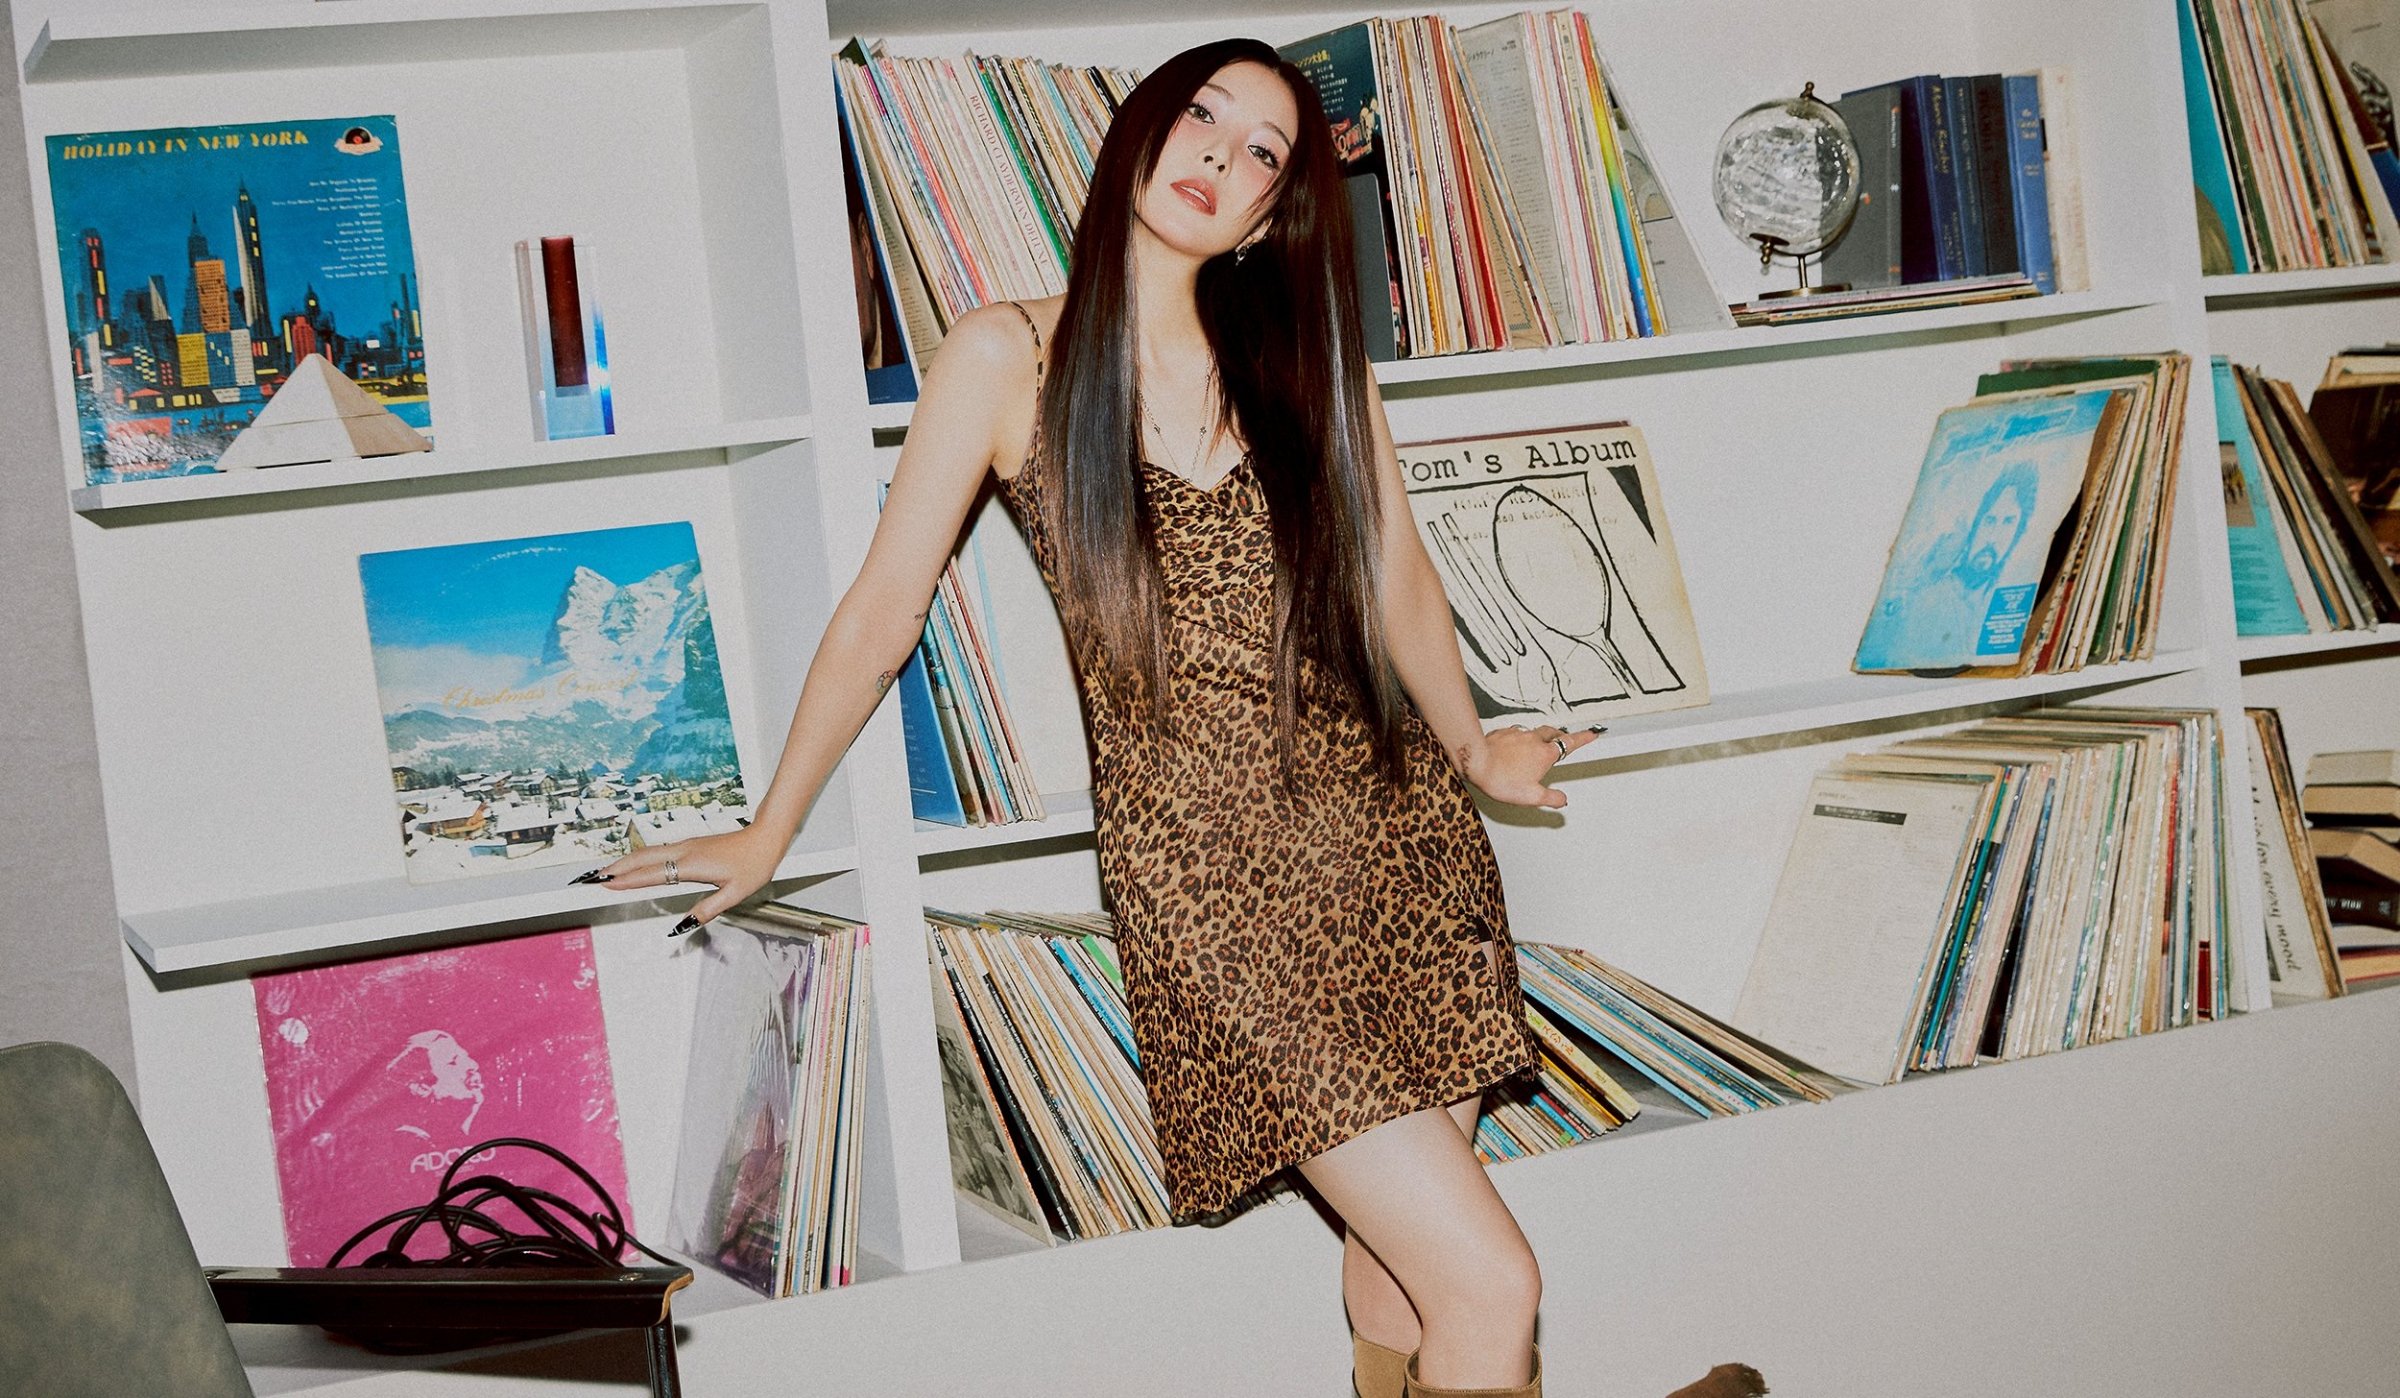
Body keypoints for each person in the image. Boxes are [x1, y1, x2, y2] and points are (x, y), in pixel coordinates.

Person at [581, 38, 1758, 1398]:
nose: (1219, 155)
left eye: (1263, 152)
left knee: (1400, 1269)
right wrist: (773, 826)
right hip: (1212, 884)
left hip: (1402, 849)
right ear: (1140, 131)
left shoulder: (1305, 358)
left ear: (1271, 214)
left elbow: (1396, 572)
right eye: (1202, 114)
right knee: (1494, 1283)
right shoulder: (1008, 355)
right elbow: (884, 609)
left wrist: (1478, 746)